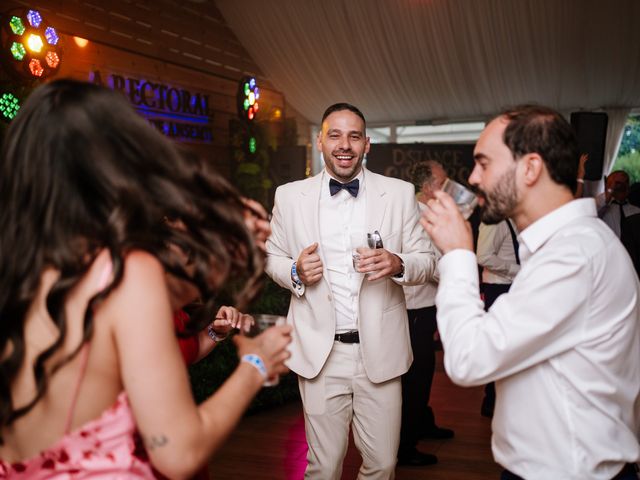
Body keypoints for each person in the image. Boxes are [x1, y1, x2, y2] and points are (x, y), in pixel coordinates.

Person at [0, 79, 292, 479]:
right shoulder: (124, 271)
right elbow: (179, 452)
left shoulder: (20, 267)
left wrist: (229, 244)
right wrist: (256, 364)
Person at [421, 105, 640, 479]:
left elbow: (470, 360)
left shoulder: (574, 254)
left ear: (531, 168)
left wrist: (458, 254)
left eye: (484, 163)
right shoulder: (562, 247)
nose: (473, 177)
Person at [265, 103, 437, 479]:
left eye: (354, 136)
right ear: (320, 141)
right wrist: (294, 269)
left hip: (381, 352)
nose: (345, 145)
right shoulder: (290, 196)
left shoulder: (399, 193)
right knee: (323, 466)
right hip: (320, 355)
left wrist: (398, 263)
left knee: (383, 464)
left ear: (367, 144)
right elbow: (272, 256)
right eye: (335, 135)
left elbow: (428, 260)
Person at [397, 161, 453, 467]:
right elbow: (428, 265)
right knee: (415, 378)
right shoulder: (414, 218)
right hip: (413, 308)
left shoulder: (428, 215)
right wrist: (458, 266)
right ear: (429, 187)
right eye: (444, 184)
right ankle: (405, 447)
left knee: (424, 373)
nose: (448, 190)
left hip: (424, 306)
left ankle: (422, 423)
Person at [476, 219, 520, 418]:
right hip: (498, 288)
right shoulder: (494, 221)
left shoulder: (513, 218)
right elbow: (483, 256)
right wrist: (516, 270)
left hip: (511, 286)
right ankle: (491, 401)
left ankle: (503, 400)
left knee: (512, 346)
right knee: (498, 345)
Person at [596, 170, 640, 277]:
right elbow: (594, 210)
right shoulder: (601, 208)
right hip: (609, 264)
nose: (620, 187)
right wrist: (610, 191)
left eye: (625, 183)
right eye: (617, 183)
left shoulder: (637, 211)